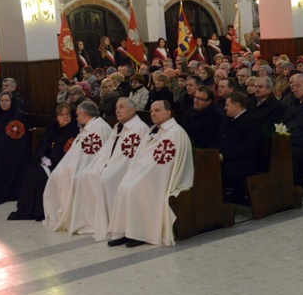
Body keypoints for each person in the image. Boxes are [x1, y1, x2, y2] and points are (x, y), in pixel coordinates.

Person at [107, 100, 194, 247]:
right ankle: (125, 231)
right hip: (147, 172)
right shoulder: (155, 130)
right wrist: (136, 172)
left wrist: (142, 174)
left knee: (134, 188)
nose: (153, 114)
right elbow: (142, 155)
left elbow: (166, 161)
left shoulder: (176, 132)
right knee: (124, 187)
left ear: (168, 113)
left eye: (157, 110)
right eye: (152, 111)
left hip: (162, 176)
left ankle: (141, 232)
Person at [74, 98, 150, 240]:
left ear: (132, 110)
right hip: (111, 164)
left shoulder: (140, 128)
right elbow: (107, 150)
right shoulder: (118, 127)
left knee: (105, 180)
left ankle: (112, 225)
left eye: (121, 107)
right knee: (84, 176)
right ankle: (93, 222)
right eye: (116, 107)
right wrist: (99, 166)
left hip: (127, 169)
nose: (117, 110)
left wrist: (109, 170)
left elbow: (130, 157)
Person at [43, 101, 112, 232]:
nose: (76, 118)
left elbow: (94, 155)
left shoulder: (100, 128)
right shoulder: (87, 128)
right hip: (78, 165)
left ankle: (79, 217)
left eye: (77, 115)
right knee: (57, 175)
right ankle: (65, 213)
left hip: (92, 167)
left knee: (76, 177)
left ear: (84, 114)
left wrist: (75, 167)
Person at [7, 103, 79, 221]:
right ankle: (28, 208)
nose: (65, 117)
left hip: (61, 165)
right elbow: (43, 148)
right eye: (62, 115)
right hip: (48, 164)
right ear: (56, 118)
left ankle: (40, 210)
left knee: (39, 174)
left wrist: (53, 161)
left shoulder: (73, 131)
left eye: (67, 114)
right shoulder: (52, 130)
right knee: (32, 170)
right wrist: (43, 158)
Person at [214, 92, 262, 201]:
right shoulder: (227, 120)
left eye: (227, 105)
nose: (225, 108)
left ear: (236, 106)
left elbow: (248, 147)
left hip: (244, 162)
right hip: (227, 159)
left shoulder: (251, 121)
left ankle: (221, 204)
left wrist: (224, 156)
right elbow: (218, 139)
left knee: (217, 171)